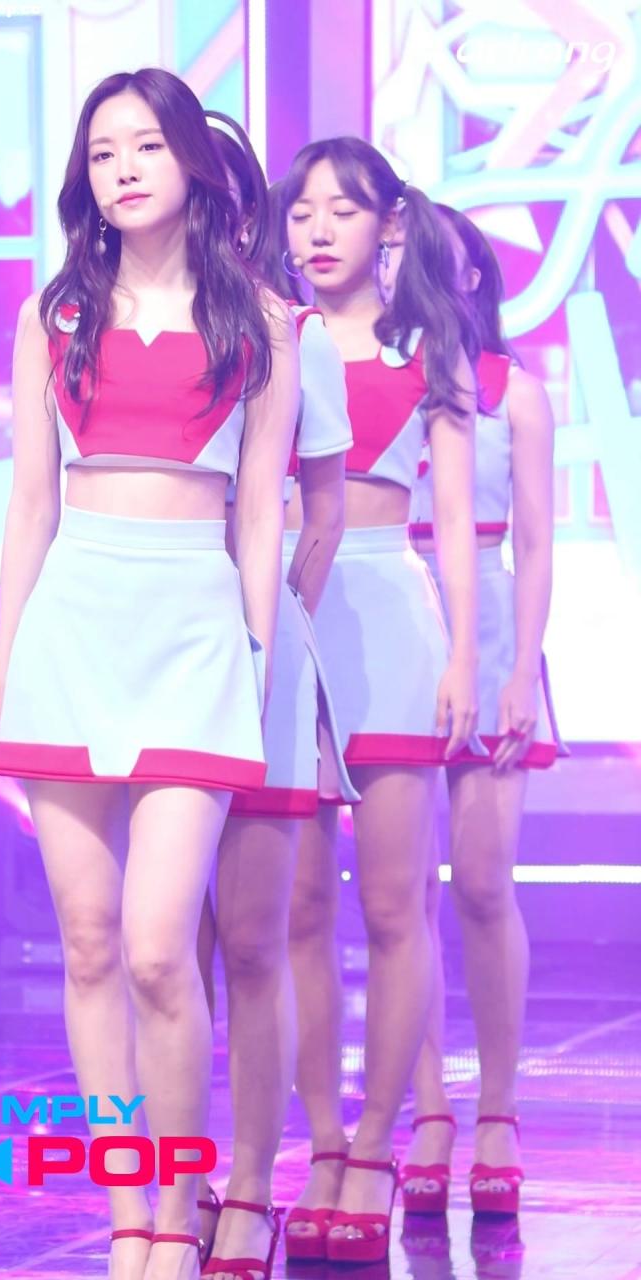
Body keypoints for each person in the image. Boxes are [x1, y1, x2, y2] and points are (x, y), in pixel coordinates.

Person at [0, 68, 298, 1280]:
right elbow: (30, 503)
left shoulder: (261, 318)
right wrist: (8, 667)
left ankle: (183, 1193)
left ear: (191, 162)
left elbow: (259, 509)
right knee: (90, 944)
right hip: (74, 627)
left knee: (164, 945)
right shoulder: (53, 312)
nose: (121, 168)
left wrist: (253, 656)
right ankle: (133, 1210)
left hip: (196, 631)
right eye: (102, 150)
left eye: (145, 145)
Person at [281, 137, 480, 1265]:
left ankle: (375, 1143)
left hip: (391, 621)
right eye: (302, 210)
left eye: (342, 210)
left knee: (397, 907)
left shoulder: (427, 346)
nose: (318, 230)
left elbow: (453, 520)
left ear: (388, 224)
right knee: (299, 908)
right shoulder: (271, 336)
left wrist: (463, 661)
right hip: (290, 616)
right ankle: (318, 1142)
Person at [193, 112, 357, 1280]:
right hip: (138, 655)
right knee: (153, 945)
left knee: (252, 938)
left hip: (255, 659)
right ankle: (169, 1179)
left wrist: (272, 629)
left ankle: (251, 1188)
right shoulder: (101, 321)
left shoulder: (294, 334)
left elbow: (324, 508)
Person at [402, 204, 563, 1216]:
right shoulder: (367, 378)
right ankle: (427, 1109)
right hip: (393, 622)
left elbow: (537, 542)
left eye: (433, 259)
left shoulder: (515, 391)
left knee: (483, 883)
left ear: (472, 278)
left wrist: (520, 671)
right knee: (402, 896)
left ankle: (497, 1108)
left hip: (495, 632)